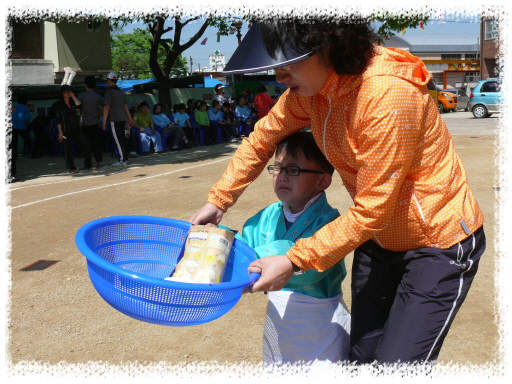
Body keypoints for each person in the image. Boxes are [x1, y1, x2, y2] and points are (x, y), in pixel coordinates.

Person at [190, 18, 486, 367]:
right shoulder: (312, 94)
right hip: (378, 241)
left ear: (327, 44)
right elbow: (262, 139)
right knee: (361, 357)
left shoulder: (386, 95)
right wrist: (219, 199)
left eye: (287, 64)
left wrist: (294, 260)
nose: (279, 77)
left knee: (397, 365)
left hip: (437, 242)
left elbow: (371, 209)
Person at [237, 131, 350, 367]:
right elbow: (242, 248)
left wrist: (259, 260)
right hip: (279, 321)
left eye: (293, 169)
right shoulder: (266, 216)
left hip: (321, 322)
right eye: (277, 168)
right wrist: (216, 241)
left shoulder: (329, 223)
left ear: (322, 181)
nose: (282, 176)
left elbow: (309, 265)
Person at [53, 85, 95, 173]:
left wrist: (73, 97)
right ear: (62, 93)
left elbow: (79, 106)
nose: (68, 93)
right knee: (68, 149)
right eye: (66, 92)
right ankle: (71, 167)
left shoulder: (72, 102)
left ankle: (88, 163)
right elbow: (58, 119)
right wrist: (60, 132)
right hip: (65, 129)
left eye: (70, 91)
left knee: (85, 144)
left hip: (76, 128)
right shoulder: (58, 104)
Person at [103, 72, 134, 167]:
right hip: (122, 119)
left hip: (114, 119)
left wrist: (104, 121)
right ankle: (124, 158)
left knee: (117, 140)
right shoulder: (121, 92)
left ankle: (122, 160)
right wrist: (129, 117)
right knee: (122, 139)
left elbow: (106, 107)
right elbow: (125, 106)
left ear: (108, 81)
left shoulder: (109, 92)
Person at [78, 76, 104, 168]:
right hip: (95, 123)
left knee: (86, 145)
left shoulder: (81, 96)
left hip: (84, 123)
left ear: (85, 85)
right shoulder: (98, 97)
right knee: (96, 143)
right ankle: (99, 162)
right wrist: (99, 116)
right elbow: (103, 108)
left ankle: (87, 162)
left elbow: (77, 109)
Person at [9, 95, 37, 178]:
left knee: (14, 142)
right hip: (22, 127)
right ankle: (32, 154)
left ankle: (15, 155)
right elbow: (27, 118)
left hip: (13, 127)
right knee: (27, 140)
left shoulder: (14, 107)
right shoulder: (25, 108)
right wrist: (27, 124)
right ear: (26, 101)